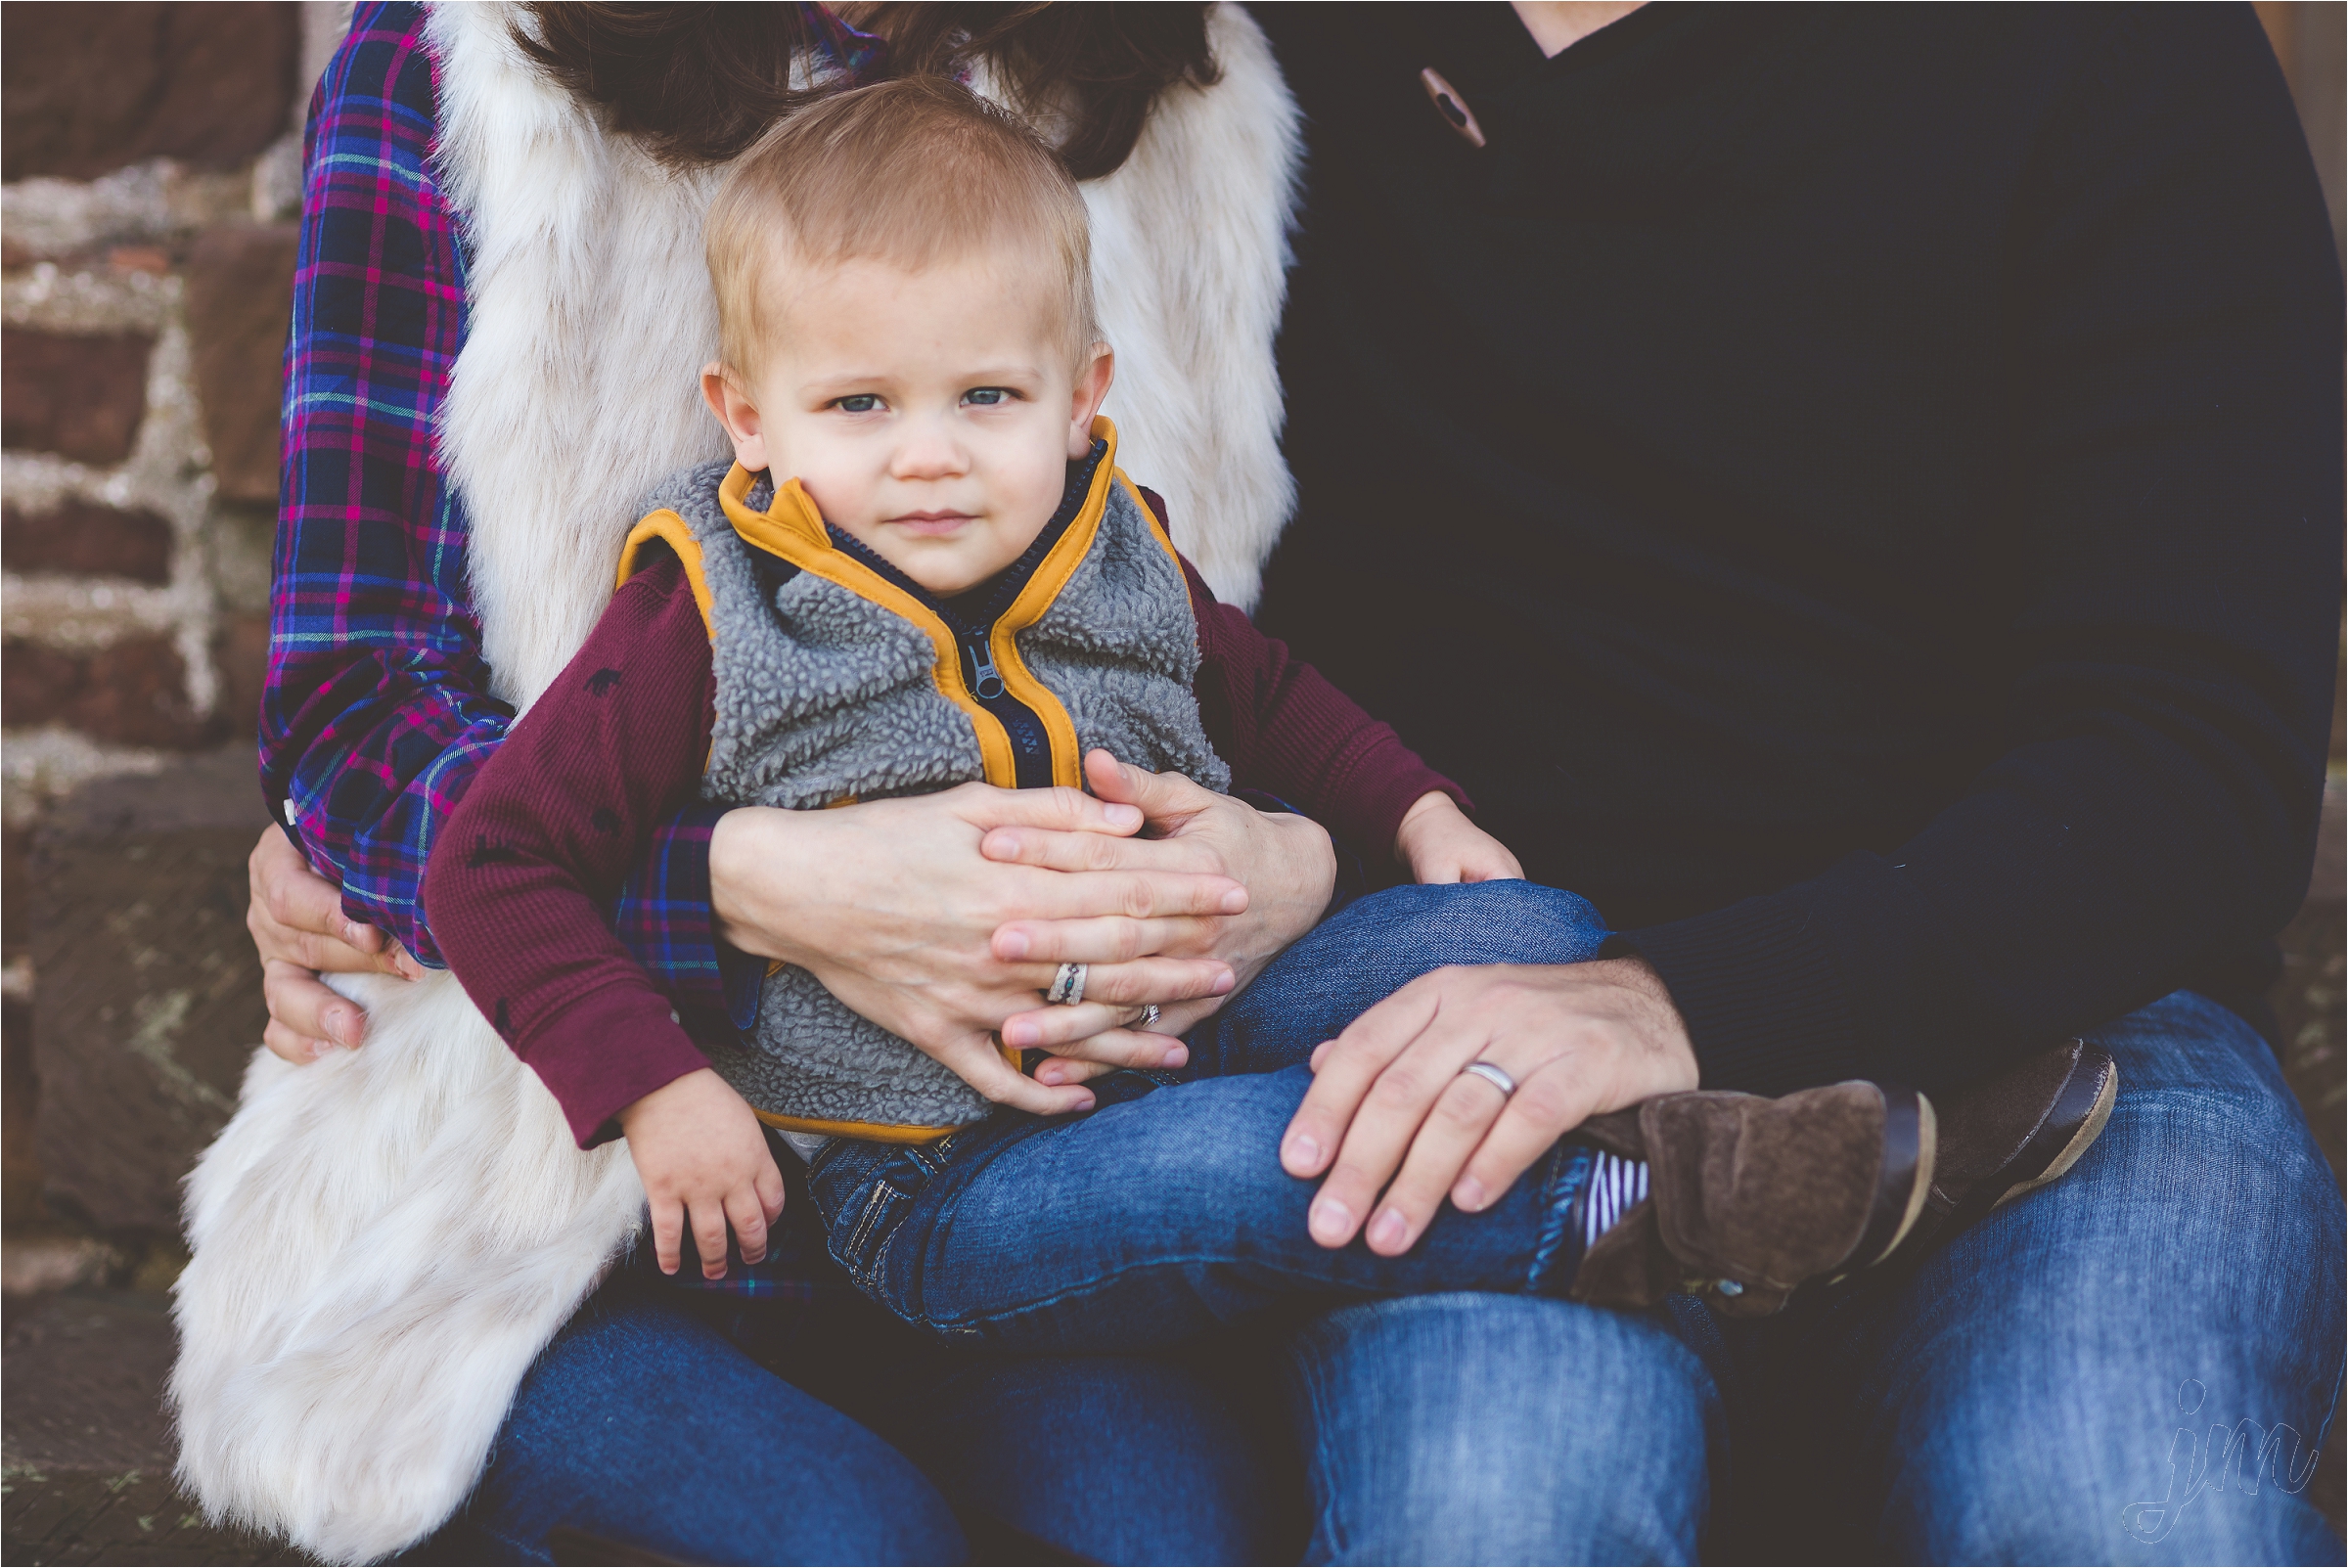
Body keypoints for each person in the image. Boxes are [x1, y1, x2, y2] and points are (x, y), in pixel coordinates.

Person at [240, 3, 2344, 1563]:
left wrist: (1413, 898)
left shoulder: (2107, 50)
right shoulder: (1261, 53)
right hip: (1322, 1048)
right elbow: (370, 709)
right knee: (1475, 1519)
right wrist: (640, 872)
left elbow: (2192, 761)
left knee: (2125, 1504)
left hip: (2004, 1046)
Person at [427, 71, 1976, 1345]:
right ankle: (1661, 1211)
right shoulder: (708, 606)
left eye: (987, 398)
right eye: (858, 408)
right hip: (938, 1181)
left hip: (1192, 1020)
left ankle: (1682, 1134)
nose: (930, 458)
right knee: (1263, 1161)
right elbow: (492, 868)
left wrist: (1418, 813)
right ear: (747, 420)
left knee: (1530, 937)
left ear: (1083, 392)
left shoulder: (1115, 546)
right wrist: (654, 1086)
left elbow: (1277, 695)